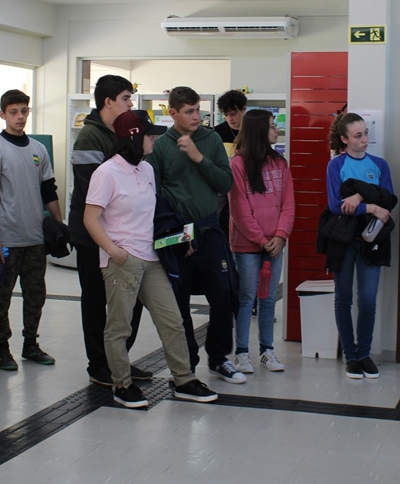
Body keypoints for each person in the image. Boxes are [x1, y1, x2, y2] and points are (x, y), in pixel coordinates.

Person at [83, 110, 220, 408]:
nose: (154, 139)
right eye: (150, 135)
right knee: (120, 326)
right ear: (133, 138)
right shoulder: (106, 173)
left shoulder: (146, 169)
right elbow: (90, 219)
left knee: (172, 321)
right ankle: (122, 384)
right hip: (123, 260)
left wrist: (178, 238)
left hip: (152, 257)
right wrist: (115, 252)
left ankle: (184, 380)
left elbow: (156, 213)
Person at [148, 86, 242, 383]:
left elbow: (225, 183)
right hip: (178, 234)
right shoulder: (161, 146)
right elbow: (153, 195)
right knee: (179, 304)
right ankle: (186, 362)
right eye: (189, 111)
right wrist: (177, 233)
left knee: (224, 295)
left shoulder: (211, 139)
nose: (196, 116)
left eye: (198, 110)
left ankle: (219, 358)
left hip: (209, 228)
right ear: (172, 113)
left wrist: (199, 157)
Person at [68, 75, 149, 386]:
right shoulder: (89, 136)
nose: (130, 103)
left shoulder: (121, 132)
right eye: (126, 98)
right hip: (93, 235)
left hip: (123, 234)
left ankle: (118, 360)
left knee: (129, 300)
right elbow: (92, 189)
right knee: (95, 300)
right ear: (108, 101)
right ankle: (99, 365)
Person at [0, 90, 63, 371]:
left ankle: (30, 343)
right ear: (3, 114)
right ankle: (2, 348)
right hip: (6, 238)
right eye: (13, 112)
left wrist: (59, 225)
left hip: (35, 238)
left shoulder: (38, 150)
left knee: (35, 295)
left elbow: (48, 190)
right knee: (1, 296)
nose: (20, 117)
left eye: (24, 111)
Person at [325, 112, 395, 380]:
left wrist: (357, 196)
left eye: (366, 133)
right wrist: (370, 206)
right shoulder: (336, 165)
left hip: (372, 238)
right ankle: (351, 356)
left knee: (367, 299)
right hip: (343, 239)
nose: (365, 139)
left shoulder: (380, 165)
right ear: (344, 139)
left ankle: (364, 353)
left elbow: (388, 200)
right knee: (343, 297)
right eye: (358, 135)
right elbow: (335, 205)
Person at [229, 109, 295, 374]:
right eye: (271, 126)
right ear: (258, 131)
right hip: (247, 245)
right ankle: (241, 353)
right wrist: (261, 239)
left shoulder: (280, 163)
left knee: (267, 298)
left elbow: (288, 204)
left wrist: (280, 236)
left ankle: (267, 350)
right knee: (247, 298)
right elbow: (240, 210)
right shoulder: (238, 164)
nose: (276, 130)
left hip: (274, 245)